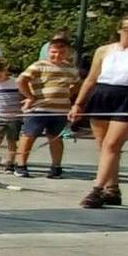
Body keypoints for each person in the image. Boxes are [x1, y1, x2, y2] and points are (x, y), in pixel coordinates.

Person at [71, 12, 128, 209]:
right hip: (102, 96)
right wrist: (78, 104)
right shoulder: (104, 51)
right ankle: (112, 189)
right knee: (104, 146)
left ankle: (96, 190)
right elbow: (91, 79)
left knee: (112, 144)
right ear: (119, 30)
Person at [18, 35, 80, 178]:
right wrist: (30, 96)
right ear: (48, 51)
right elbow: (22, 80)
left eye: (61, 52)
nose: (57, 55)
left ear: (67, 53)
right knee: (29, 136)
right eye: (54, 52)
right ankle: (21, 164)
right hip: (39, 108)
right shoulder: (39, 65)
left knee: (55, 138)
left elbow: (78, 83)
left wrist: (68, 94)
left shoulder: (71, 69)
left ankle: (56, 166)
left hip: (60, 109)